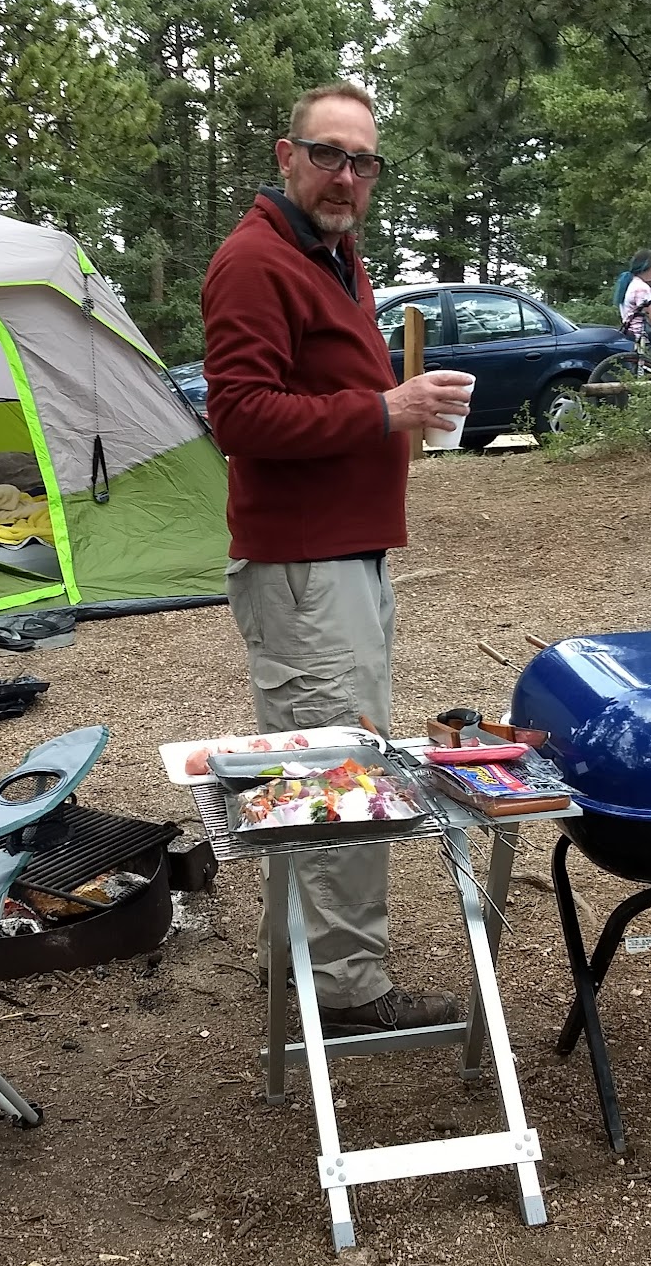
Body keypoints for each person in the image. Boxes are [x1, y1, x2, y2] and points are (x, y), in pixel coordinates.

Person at [199, 79, 474, 1037]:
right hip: (305, 566)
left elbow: (320, 389)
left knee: (316, 761)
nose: (346, 177)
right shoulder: (255, 261)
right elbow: (238, 415)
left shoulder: (333, 254)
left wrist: (394, 409)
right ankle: (347, 989)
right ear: (287, 155)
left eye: (363, 162)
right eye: (328, 155)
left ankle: (297, 960)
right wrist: (384, 410)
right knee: (341, 775)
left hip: (343, 557)